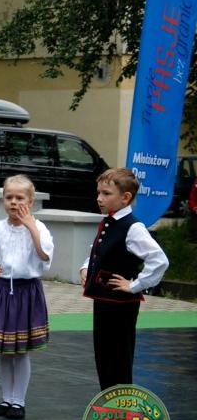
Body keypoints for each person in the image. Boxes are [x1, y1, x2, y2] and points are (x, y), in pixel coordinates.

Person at [79, 167, 168, 390]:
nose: (99, 198)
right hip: (104, 300)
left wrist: (135, 285)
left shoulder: (133, 228)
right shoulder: (110, 221)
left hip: (120, 304)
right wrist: (86, 267)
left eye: (106, 193)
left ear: (125, 197)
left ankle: (120, 404)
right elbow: (99, 250)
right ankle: (109, 401)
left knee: (118, 357)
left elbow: (159, 260)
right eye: (98, 193)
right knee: (104, 355)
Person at [0, 175, 53, 420]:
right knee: (5, 350)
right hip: (2, 291)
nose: (14, 202)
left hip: (27, 292)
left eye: (20, 198)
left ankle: (19, 401)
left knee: (21, 351)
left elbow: (45, 255)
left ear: (31, 201)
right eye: (9, 197)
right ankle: (7, 398)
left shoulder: (39, 228)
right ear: (3, 200)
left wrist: (30, 226)